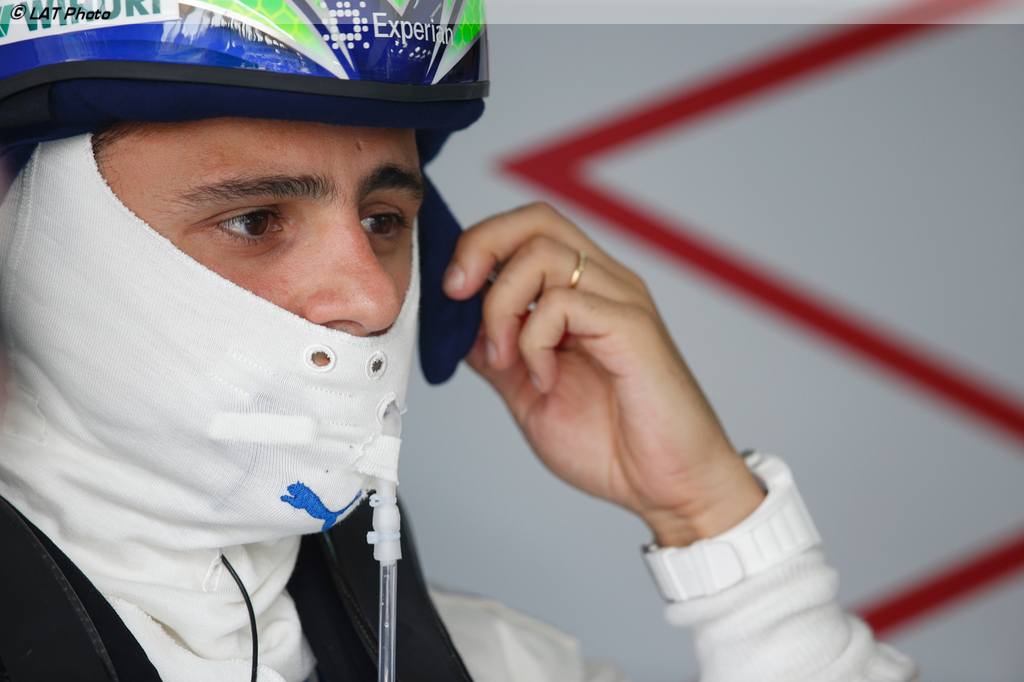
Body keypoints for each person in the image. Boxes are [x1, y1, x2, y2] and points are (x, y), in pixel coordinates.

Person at [0, 2, 917, 680]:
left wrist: (710, 516)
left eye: (385, 220)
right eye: (255, 220)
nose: (371, 297)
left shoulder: (501, 663)